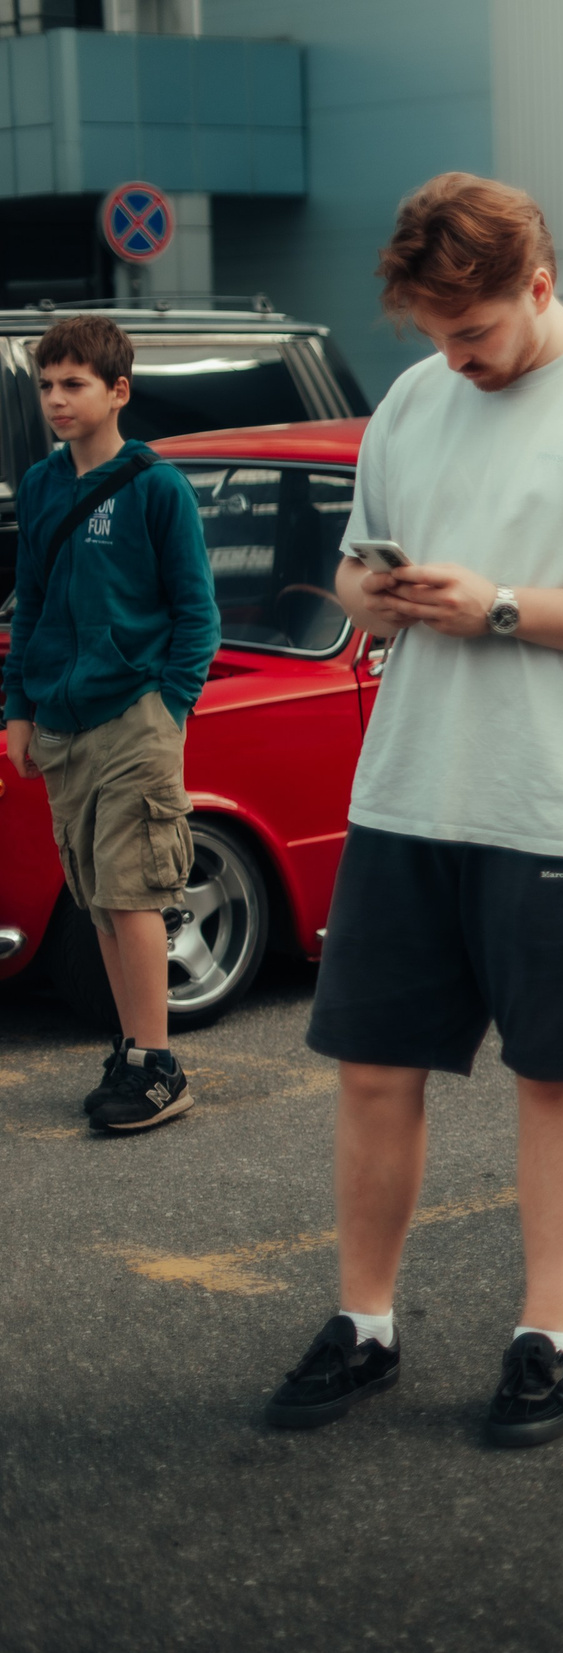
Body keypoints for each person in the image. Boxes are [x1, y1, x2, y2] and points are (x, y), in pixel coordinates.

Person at [260, 174, 563, 1448]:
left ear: (540, 283)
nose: (451, 359)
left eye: (471, 332)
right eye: (429, 333)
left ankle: (544, 1336)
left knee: (552, 1074)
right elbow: (362, 556)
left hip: (561, 803)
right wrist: (369, 593)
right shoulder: (414, 399)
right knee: (371, 1070)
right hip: (413, 784)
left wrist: (501, 605)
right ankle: (364, 1323)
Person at [2, 315, 216, 1134]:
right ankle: (132, 1047)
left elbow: (197, 614)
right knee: (95, 894)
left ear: (117, 391)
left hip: (134, 717)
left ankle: (159, 1067)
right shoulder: (43, 483)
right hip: (59, 719)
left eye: (74, 384)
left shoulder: (157, 486)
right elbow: (33, 605)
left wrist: (168, 708)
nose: (56, 398)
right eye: (46, 384)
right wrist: (20, 707)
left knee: (132, 892)